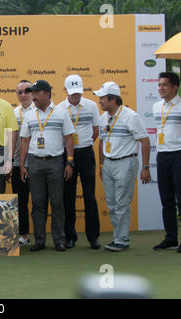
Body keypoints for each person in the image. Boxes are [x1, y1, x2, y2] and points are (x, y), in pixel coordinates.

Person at [20, 80, 75, 252]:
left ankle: (59, 240)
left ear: (47, 94)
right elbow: (25, 140)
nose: (32, 95)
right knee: (37, 204)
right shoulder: (29, 114)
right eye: (32, 92)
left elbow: (68, 138)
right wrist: (22, 165)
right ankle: (40, 240)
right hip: (35, 162)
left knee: (57, 202)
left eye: (36, 92)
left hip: (56, 162)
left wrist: (70, 162)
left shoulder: (61, 113)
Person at [95, 81, 151, 252]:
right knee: (112, 204)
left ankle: (122, 240)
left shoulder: (131, 116)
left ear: (113, 99)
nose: (100, 101)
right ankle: (118, 238)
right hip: (109, 164)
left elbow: (145, 140)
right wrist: (102, 164)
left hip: (126, 162)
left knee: (121, 203)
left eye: (103, 98)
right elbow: (102, 142)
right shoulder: (103, 117)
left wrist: (146, 166)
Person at [57, 75, 101, 249]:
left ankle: (93, 237)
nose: (76, 96)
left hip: (86, 154)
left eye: (79, 93)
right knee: (68, 197)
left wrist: (84, 143)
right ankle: (70, 236)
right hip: (67, 155)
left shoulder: (91, 105)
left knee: (90, 196)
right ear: (66, 91)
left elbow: (96, 130)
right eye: (73, 93)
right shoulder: (60, 108)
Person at [151, 72, 181, 253]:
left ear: (174, 87)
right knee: (166, 200)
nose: (160, 88)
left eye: (164, 85)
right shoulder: (157, 106)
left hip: (180, 154)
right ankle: (170, 237)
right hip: (162, 155)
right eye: (159, 85)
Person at [12, 80, 34, 246]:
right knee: (21, 201)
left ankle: (42, 237)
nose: (24, 94)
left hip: (38, 161)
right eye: (20, 92)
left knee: (41, 201)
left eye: (27, 90)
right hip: (18, 163)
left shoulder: (41, 111)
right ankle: (23, 235)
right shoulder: (13, 113)